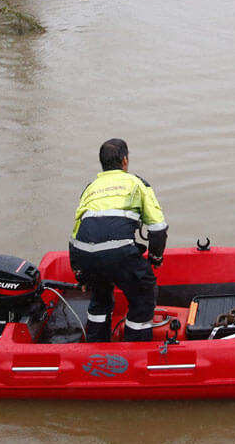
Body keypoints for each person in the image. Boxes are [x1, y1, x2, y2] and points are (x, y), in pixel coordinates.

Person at [68, 138, 168, 343]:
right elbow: (158, 229)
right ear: (125, 160)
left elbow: (76, 232)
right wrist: (155, 258)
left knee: (100, 295)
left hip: (84, 253)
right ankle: (134, 351)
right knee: (143, 293)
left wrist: (81, 275)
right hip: (118, 252)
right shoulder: (137, 184)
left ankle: (95, 348)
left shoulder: (90, 187)